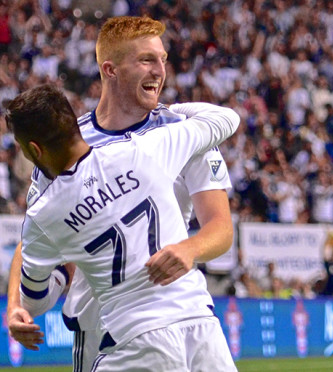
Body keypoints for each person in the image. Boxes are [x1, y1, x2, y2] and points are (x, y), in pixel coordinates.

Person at [6, 16, 236, 372]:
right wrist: (14, 305)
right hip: (98, 325)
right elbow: (37, 238)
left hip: (174, 310)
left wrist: (189, 249)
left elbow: (221, 229)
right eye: (147, 60)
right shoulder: (64, 142)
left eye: (163, 59)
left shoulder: (179, 133)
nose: (161, 71)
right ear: (109, 69)